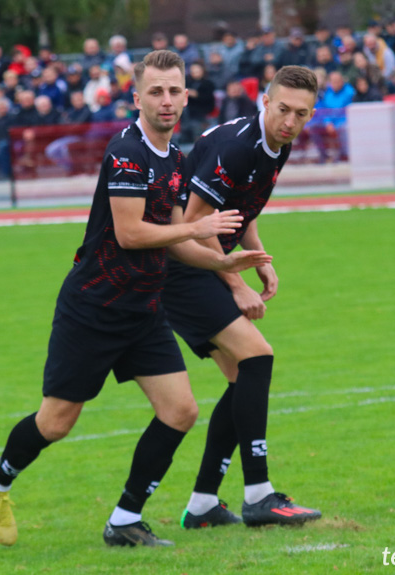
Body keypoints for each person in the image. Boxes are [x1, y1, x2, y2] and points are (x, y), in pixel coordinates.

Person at [0, 49, 273, 549]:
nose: (166, 100)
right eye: (155, 91)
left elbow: (177, 241)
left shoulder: (177, 160)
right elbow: (131, 233)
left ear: (186, 96)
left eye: (174, 90)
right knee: (56, 422)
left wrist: (222, 266)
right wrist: (200, 226)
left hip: (143, 309)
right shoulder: (126, 151)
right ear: (136, 98)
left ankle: (124, 520)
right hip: (93, 309)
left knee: (180, 410)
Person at [161, 66, 323, 530]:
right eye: (284, 109)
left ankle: (203, 506)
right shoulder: (239, 146)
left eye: (301, 114)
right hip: (182, 263)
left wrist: (255, 255)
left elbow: (238, 206)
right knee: (258, 357)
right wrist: (237, 284)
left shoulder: (276, 144)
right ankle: (259, 494)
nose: (290, 121)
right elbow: (194, 220)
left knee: (241, 379)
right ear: (265, 102)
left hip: (205, 260)